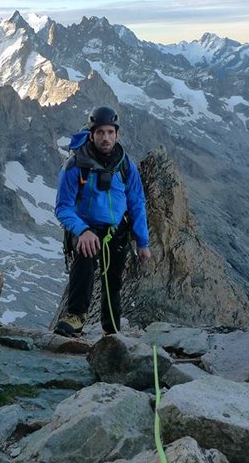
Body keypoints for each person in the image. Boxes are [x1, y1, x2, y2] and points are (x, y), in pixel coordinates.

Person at [53, 106, 151, 337]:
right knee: (84, 261)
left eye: (109, 132)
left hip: (117, 230)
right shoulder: (75, 166)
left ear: (117, 135)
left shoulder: (126, 165)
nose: (105, 137)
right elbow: (63, 208)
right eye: (100, 133)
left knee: (113, 281)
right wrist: (82, 230)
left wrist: (142, 242)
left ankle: (112, 328)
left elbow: (137, 203)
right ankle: (75, 315)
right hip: (86, 229)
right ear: (91, 135)